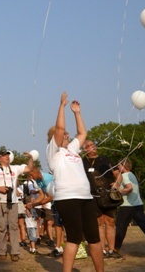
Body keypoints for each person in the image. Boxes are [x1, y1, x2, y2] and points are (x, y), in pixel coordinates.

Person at [45, 92, 104, 272]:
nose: (67, 136)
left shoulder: (72, 149)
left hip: (85, 197)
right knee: (74, 238)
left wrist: (77, 113)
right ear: (54, 137)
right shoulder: (53, 151)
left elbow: (83, 133)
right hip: (67, 198)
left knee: (94, 238)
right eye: (64, 134)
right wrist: (62, 106)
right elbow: (60, 129)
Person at [0, 147, 33, 261]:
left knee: (13, 227)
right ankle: (2, 252)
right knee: (1, 227)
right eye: (4, 155)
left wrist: (31, 158)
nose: (7, 156)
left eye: (8, 155)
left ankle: (15, 252)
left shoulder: (14, 168)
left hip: (13, 202)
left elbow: (29, 168)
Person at [113, 158, 145, 257]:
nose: (118, 167)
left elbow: (129, 188)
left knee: (120, 228)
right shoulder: (132, 175)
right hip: (137, 205)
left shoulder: (125, 176)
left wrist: (117, 190)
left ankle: (116, 249)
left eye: (119, 165)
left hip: (127, 206)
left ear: (123, 165)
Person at [82, 138, 121, 258]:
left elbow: (117, 174)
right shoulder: (82, 162)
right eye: (88, 145)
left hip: (108, 194)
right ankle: (102, 250)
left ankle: (112, 250)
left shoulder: (105, 160)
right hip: (92, 196)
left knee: (110, 221)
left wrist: (117, 183)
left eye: (93, 144)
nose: (91, 147)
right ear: (85, 149)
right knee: (98, 222)